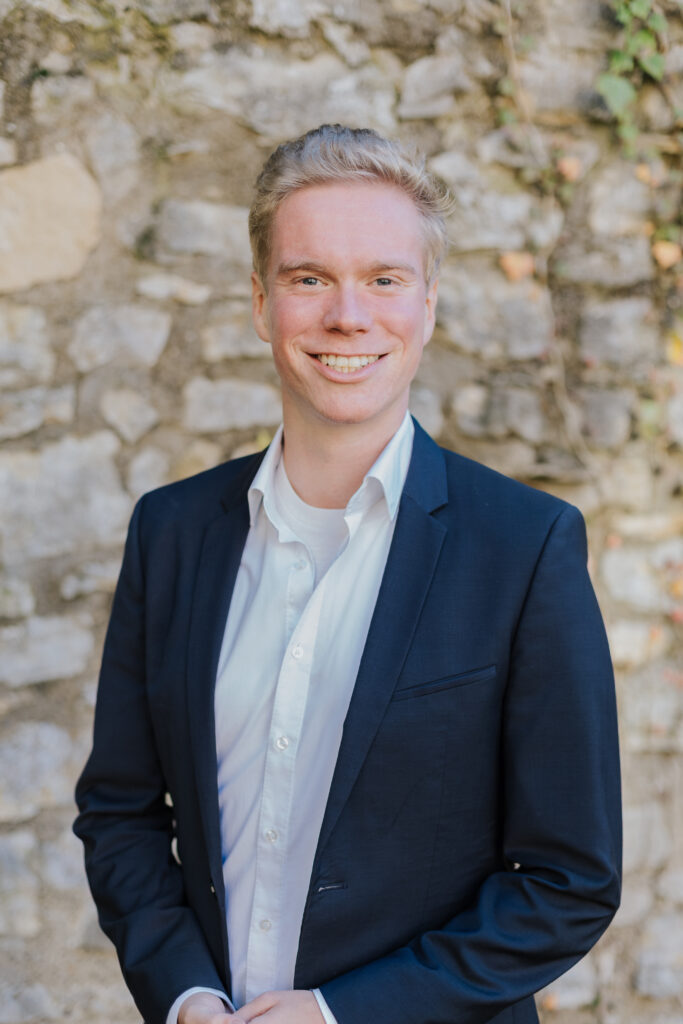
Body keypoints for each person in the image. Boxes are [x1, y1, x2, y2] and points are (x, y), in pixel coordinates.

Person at [74, 124, 621, 1024]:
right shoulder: (169, 533)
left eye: (383, 279)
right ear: (261, 303)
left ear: (428, 306)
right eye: (308, 279)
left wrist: (340, 1015)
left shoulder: (525, 549)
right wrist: (185, 996)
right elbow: (122, 814)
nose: (347, 316)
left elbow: (568, 883)